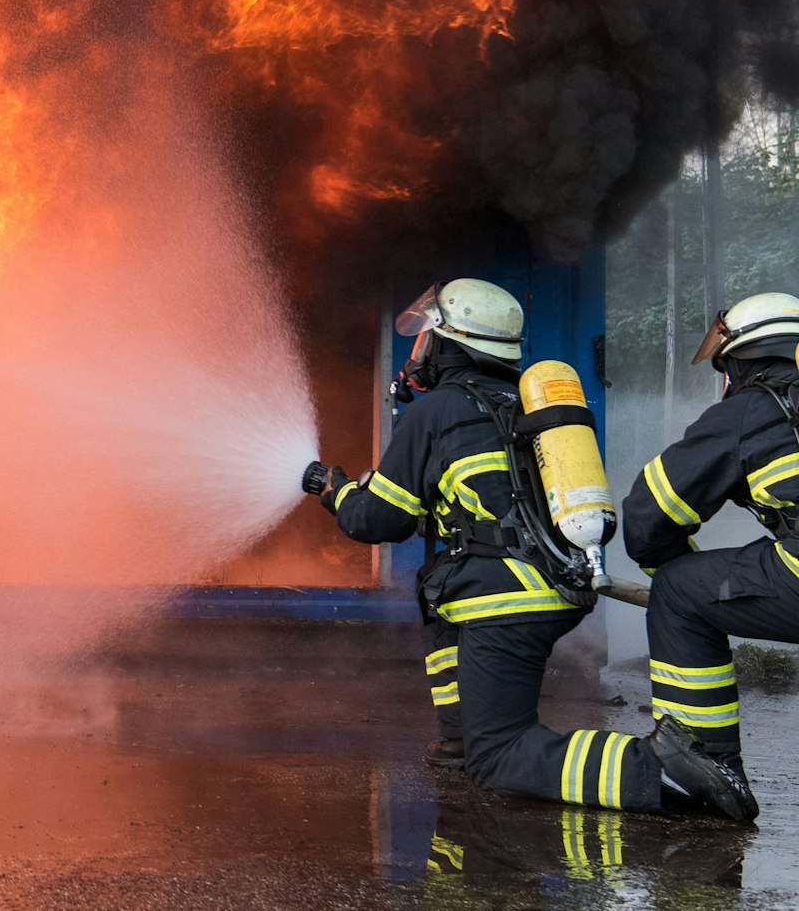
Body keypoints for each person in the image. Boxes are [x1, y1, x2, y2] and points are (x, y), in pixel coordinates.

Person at [302, 279, 750, 819]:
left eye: (428, 336)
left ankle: (654, 766)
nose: (419, 349)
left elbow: (377, 519)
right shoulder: (521, 406)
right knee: (441, 595)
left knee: (503, 755)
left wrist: (335, 489)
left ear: (449, 344)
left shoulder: (437, 411)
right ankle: (459, 739)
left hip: (505, 600)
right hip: (551, 585)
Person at [624, 290, 799, 820]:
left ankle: (706, 756)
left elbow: (649, 512)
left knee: (680, 589)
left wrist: (666, 565)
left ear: (742, 360)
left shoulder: (756, 408)